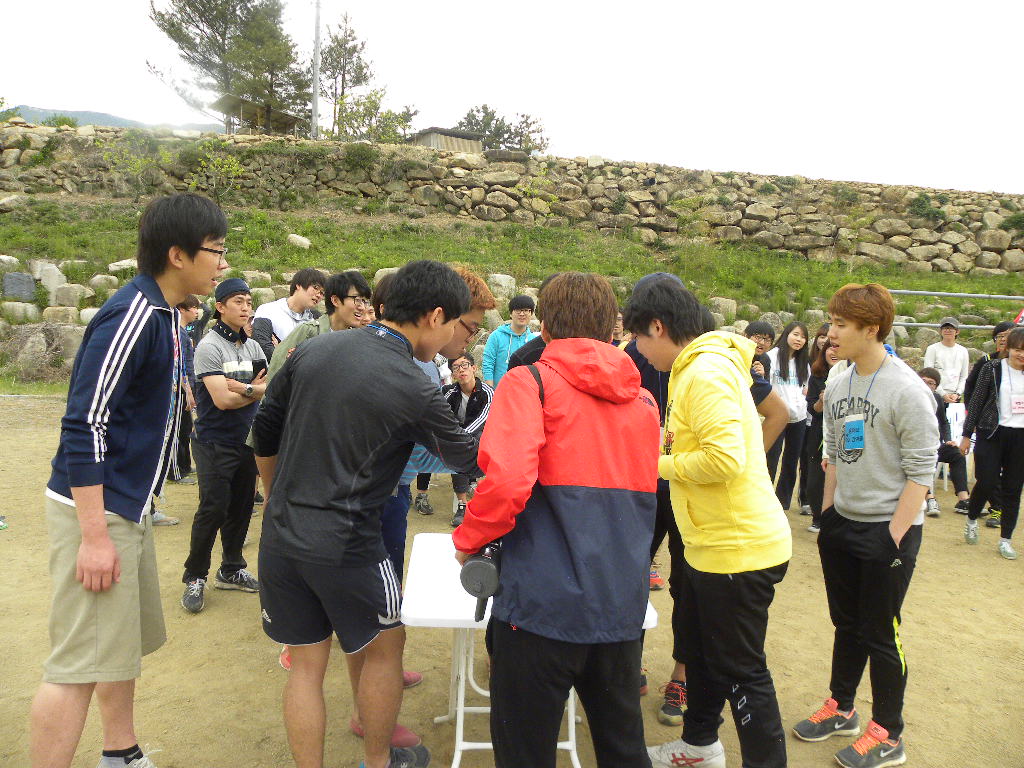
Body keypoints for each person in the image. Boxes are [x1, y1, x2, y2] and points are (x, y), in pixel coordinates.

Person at [252, 260, 482, 768]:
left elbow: (265, 430)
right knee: (384, 647)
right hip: (349, 543)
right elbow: (466, 456)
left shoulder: (315, 349)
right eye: (452, 325)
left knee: (306, 666)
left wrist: (274, 496)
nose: (451, 337)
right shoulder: (413, 382)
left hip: (282, 536)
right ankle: (378, 761)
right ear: (435, 316)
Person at [31, 193, 229, 768]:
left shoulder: (166, 314)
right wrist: (94, 536)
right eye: (215, 251)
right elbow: (85, 423)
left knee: (114, 647)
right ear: (177, 255)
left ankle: (121, 751)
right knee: (77, 665)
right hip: (98, 511)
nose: (223, 263)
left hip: (127, 506)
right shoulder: (134, 315)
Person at [454, 271, 660, 768]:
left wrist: (469, 539)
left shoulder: (530, 382)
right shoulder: (645, 401)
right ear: (611, 329)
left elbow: (507, 481)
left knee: (525, 751)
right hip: (619, 605)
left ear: (544, 327)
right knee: (622, 746)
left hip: (538, 606)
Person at [627, 278, 791, 768]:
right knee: (700, 649)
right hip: (709, 546)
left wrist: (653, 464)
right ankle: (699, 745)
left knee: (743, 671)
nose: (637, 349)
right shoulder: (692, 369)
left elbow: (725, 460)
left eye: (638, 337)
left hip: (737, 550)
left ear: (658, 327)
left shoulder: (705, 373)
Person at [793, 283, 937, 768]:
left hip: (887, 531)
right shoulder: (838, 381)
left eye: (841, 324)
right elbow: (833, 450)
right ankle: (843, 708)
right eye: (831, 322)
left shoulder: (908, 390)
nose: (830, 333)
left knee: (880, 632)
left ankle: (888, 734)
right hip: (842, 524)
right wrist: (828, 515)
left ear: (871, 329)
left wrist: (892, 534)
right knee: (847, 624)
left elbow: (922, 470)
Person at [180, 278, 268, 613]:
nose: (246, 308)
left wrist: (242, 388)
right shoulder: (209, 346)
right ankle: (195, 575)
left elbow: (267, 387)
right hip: (214, 441)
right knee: (213, 508)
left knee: (242, 507)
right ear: (220, 307)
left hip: (246, 440)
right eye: (238, 302)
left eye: (249, 302)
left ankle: (231, 569)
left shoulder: (253, 347)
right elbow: (221, 401)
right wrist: (251, 391)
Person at [960, 326, 1024, 560]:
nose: (1022, 355)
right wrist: (966, 435)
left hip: (1020, 437)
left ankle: (1006, 540)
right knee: (986, 481)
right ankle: (972, 519)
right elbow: (977, 402)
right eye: (1018, 349)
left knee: (1013, 489)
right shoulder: (993, 368)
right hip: (991, 433)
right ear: (1008, 348)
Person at [263, 270, 371, 383]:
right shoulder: (309, 332)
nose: (362, 307)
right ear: (335, 300)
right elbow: (275, 376)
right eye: (357, 300)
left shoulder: (358, 340)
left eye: (365, 301)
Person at [963, 321, 1015, 526]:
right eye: (999, 336)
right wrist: (973, 419)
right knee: (985, 473)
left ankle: (997, 509)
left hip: (1013, 429)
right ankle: (980, 508)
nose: (1003, 340)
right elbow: (971, 390)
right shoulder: (987, 363)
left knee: (1007, 476)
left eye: (1008, 336)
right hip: (987, 425)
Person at [442, 353, 493, 527]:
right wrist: (454, 436)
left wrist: (460, 437)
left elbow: (484, 419)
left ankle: (483, 501)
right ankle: (462, 505)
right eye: (456, 368)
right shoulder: (449, 392)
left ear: (474, 368)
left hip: (482, 434)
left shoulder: (487, 392)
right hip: (458, 436)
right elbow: (441, 415)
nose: (461, 370)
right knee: (456, 450)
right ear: (453, 374)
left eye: (465, 365)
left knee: (465, 447)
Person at [765, 321, 811, 511]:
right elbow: (765, 385)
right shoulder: (772, 357)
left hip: (798, 417)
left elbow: (805, 388)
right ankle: (764, 499)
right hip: (777, 416)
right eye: (795, 334)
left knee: (791, 461)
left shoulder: (803, 362)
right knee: (771, 458)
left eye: (803, 337)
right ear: (786, 334)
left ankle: (782, 502)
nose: (798, 339)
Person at [918, 367, 970, 516]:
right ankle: (930, 498)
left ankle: (963, 499)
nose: (927, 385)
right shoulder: (908, 397)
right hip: (916, 448)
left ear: (936, 387)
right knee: (926, 457)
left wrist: (948, 440)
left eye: (931, 383)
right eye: (923, 381)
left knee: (956, 454)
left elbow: (944, 422)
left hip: (935, 445)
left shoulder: (937, 399)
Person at [251, 267, 326, 361]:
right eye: (316, 288)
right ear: (299, 285)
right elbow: (264, 349)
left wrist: (281, 350)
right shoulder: (268, 310)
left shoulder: (317, 320)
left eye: (322, 293)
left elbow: (320, 355)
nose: (319, 295)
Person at [168, 294, 202, 490]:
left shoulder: (183, 332)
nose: (197, 311)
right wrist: (187, 390)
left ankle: (185, 465)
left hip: (187, 386)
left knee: (185, 428)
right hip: (180, 388)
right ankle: (175, 471)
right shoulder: (178, 334)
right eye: (193, 308)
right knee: (177, 429)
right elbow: (179, 365)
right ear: (182, 309)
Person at [805, 342, 839, 533]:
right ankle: (817, 517)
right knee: (815, 480)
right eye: (830, 348)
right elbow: (813, 409)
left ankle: (833, 518)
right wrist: (821, 400)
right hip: (819, 433)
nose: (833, 352)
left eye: (837, 348)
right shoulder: (817, 376)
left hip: (841, 432)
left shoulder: (850, 374)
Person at [482, 293, 537, 388]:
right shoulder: (496, 336)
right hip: (500, 391)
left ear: (531, 314)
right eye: (518, 310)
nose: (522, 314)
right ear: (511, 313)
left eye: (526, 310)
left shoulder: (533, 340)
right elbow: (488, 364)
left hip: (525, 391)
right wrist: (490, 390)